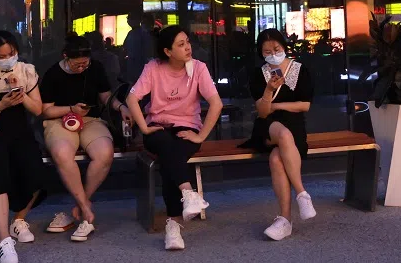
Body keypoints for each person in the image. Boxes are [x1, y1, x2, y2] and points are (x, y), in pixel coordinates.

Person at [126, 25, 223, 251]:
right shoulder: (153, 68)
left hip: (187, 128)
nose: (188, 47)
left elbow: (216, 103)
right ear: (168, 51)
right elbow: (132, 99)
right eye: (181, 45)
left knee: (173, 154)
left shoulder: (198, 68)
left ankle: (174, 225)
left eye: (187, 42)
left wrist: (200, 136)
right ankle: (187, 196)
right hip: (157, 128)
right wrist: (145, 127)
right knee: (168, 148)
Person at [39, 33, 131, 242]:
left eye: (85, 64)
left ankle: (82, 205)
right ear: (66, 57)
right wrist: (71, 108)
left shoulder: (96, 68)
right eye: (77, 65)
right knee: (62, 153)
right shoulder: (54, 73)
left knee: (104, 153)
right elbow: (46, 111)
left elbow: (106, 97)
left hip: (90, 119)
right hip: (60, 119)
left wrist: (122, 107)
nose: (81, 68)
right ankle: (86, 210)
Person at [0, 31, 48, 263]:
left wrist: (21, 96)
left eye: (11, 53)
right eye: (2, 55)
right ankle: (4, 241)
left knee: (36, 173)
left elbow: (38, 109)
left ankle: (18, 220)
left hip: (21, 132)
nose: (7, 58)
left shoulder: (26, 70)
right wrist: (1, 105)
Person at [240, 28, 316, 241]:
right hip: (268, 126)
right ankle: (302, 193)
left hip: (295, 126)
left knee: (276, 158)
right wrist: (268, 91)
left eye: (276, 48)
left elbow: (305, 105)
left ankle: (285, 220)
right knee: (282, 135)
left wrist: (277, 105)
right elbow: (263, 112)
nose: (273, 54)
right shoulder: (259, 75)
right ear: (261, 53)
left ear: (284, 46)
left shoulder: (300, 70)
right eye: (267, 51)